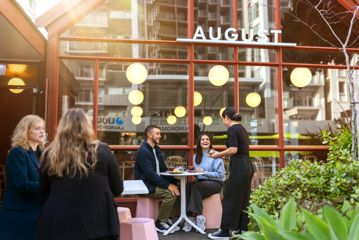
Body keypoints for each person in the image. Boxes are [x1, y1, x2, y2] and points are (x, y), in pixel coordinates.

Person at [37, 108, 123, 240]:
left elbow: (43, 191)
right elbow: (117, 189)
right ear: (87, 126)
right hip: (98, 223)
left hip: (57, 223)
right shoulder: (102, 150)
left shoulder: (49, 154)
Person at [207, 107, 254, 240]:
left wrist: (216, 155)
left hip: (239, 168)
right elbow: (239, 152)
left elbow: (233, 149)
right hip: (246, 166)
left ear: (227, 117)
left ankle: (225, 231)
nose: (223, 122)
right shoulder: (242, 129)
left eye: (223, 119)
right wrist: (223, 156)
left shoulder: (232, 129)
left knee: (230, 196)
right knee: (243, 198)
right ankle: (242, 229)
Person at [0, 115, 46, 240]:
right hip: (20, 214)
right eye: (37, 128)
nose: (42, 131)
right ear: (26, 131)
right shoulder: (18, 152)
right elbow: (22, 184)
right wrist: (46, 187)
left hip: (36, 212)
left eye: (43, 128)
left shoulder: (42, 154)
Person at [134, 124, 180, 234]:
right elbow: (150, 174)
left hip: (155, 183)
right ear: (149, 135)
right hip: (146, 186)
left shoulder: (156, 149)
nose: (160, 136)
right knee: (170, 193)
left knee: (179, 189)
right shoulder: (143, 151)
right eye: (157, 133)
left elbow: (163, 169)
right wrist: (168, 185)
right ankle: (160, 223)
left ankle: (168, 219)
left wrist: (173, 182)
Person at [182, 133, 226, 232]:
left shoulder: (215, 154)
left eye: (207, 139)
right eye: (202, 139)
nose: (205, 141)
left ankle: (197, 217)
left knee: (196, 186)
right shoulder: (196, 156)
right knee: (188, 186)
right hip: (201, 182)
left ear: (210, 142)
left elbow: (220, 175)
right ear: (199, 142)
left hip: (216, 183)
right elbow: (198, 174)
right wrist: (195, 172)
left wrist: (204, 173)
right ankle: (191, 218)